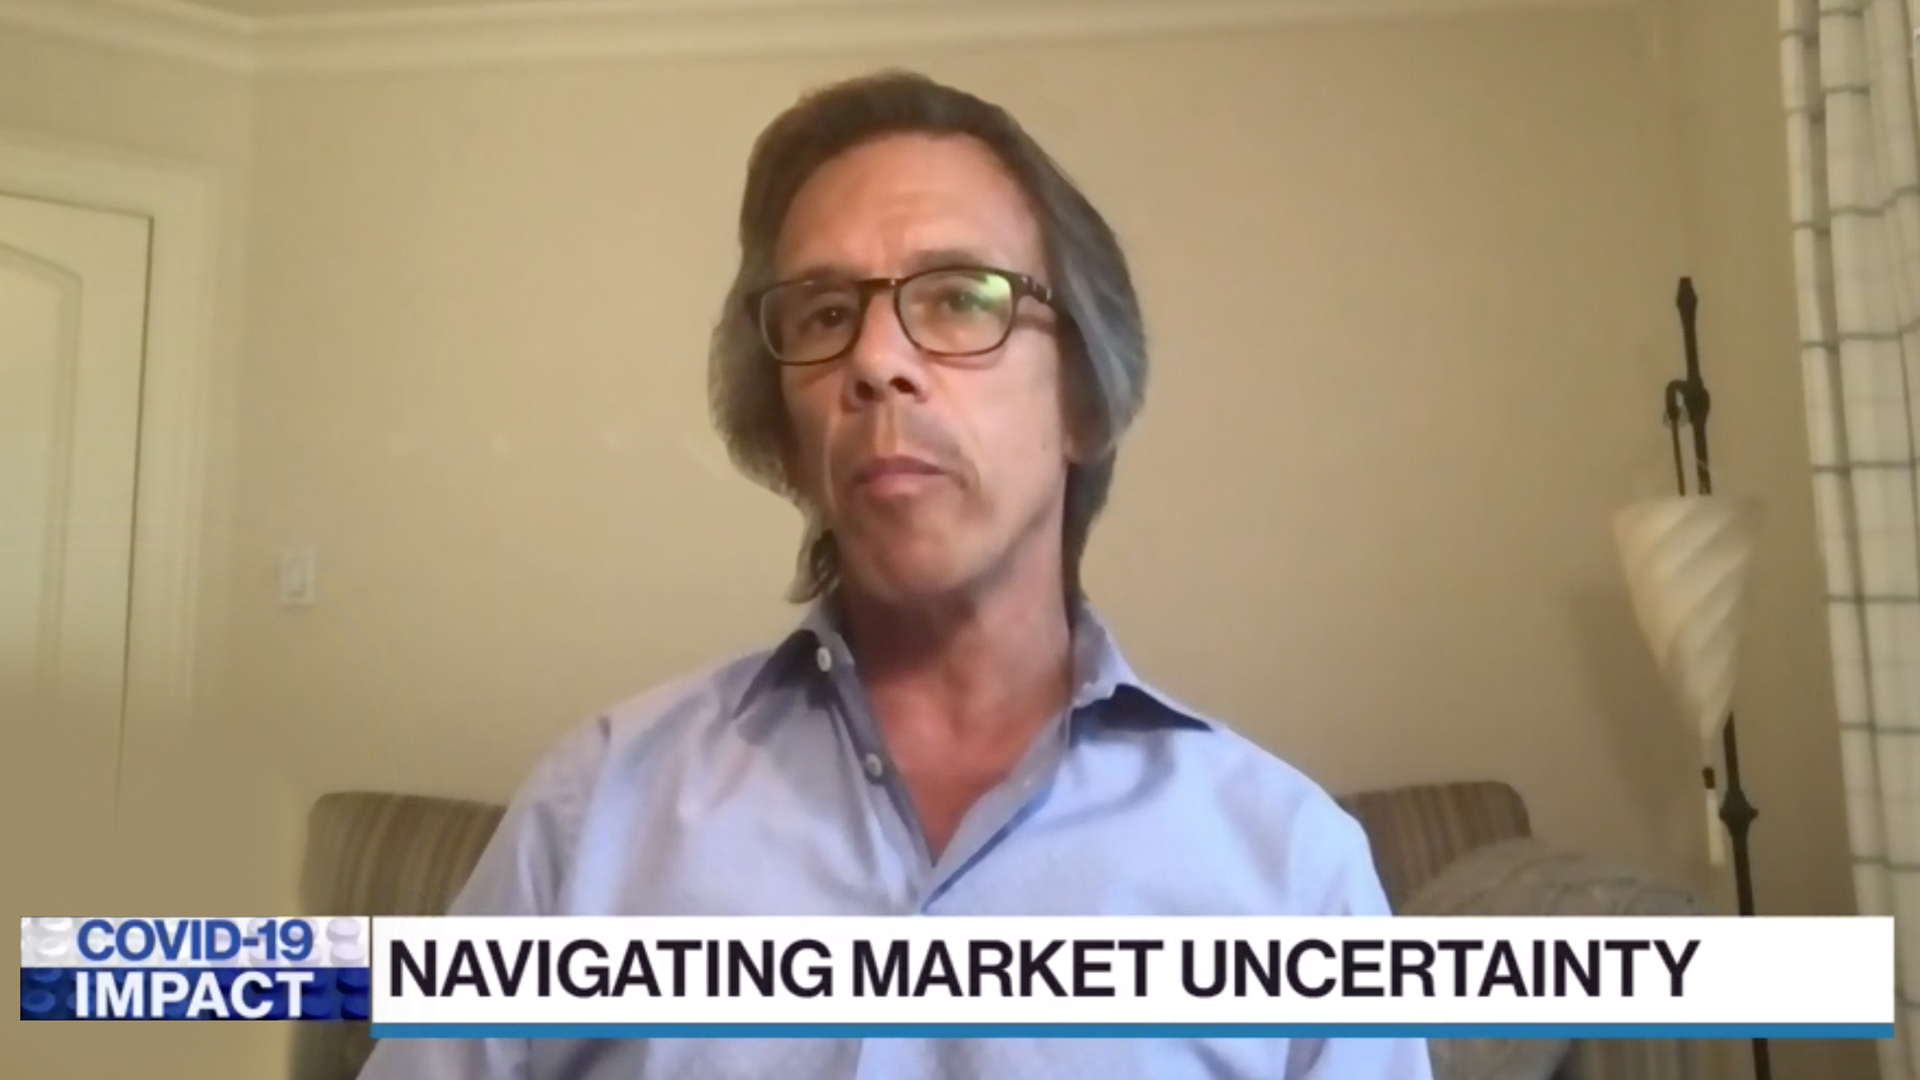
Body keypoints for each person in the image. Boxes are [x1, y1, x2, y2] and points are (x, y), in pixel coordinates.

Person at [357, 69, 1430, 1080]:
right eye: (826, 315)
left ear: (1085, 402)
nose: (874, 361)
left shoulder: (1294, 872)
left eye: (961, 298)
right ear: (789, 437)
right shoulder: (594, 809)